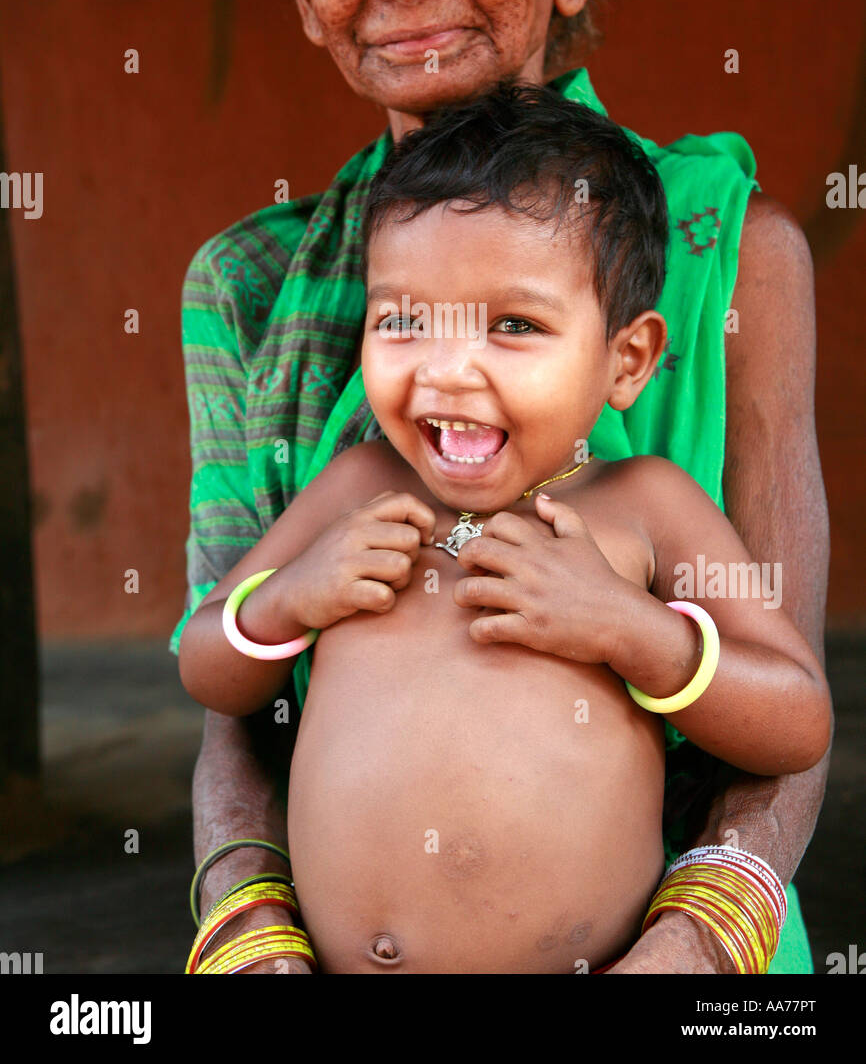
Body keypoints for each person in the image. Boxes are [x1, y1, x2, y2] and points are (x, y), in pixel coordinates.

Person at [171, 0, 830, 974]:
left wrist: (692, 951)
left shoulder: (728, 250)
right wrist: (247, 941)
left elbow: (781, 706)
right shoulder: (249, 283)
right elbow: (231, 692)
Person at [178, 87, 831, 974]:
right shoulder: (357, 487)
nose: (448, 370)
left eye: (514, 325)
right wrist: (289, 599)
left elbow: (796, 720)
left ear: (626, 360)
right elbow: (206, 666)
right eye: (403, 320)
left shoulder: (645, 507)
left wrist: (633, 632)